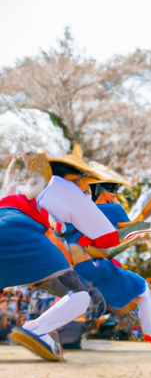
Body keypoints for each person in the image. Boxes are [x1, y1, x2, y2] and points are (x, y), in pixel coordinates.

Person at [0, 153, 110, 361]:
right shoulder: (60, 189)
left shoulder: (19, 192)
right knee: (82, 295)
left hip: (9, 226)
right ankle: (37, 329)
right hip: (22, 230)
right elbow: (104, 236)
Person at [48, 148, 151, 346]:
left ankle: (44, 330)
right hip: (96, 267)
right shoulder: (113, 209)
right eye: (112, 190)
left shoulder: (72, 211)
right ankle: (150, 336)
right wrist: (146, 220)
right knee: (143, 289)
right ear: (100, 190)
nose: (115, 196)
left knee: (78, 299)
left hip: (71, 268)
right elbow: (126, 234)